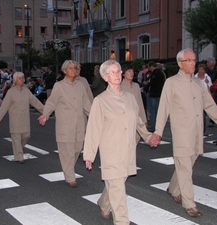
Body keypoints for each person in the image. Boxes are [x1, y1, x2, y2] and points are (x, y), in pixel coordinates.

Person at [150, 48, 217, 217]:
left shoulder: (199, 83)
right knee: (185, 168)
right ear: (181, 64)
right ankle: (189, 204)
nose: (193, 63)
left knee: (188, 163)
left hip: (197, 132)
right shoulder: (172, 82)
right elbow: (163, 108)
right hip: (181, 133)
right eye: (189, 60)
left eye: (194, 60)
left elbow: (209, 106)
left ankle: (173, 188)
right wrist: (158, 132)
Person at [83, 60, 154, 225]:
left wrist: (148, 136)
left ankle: (104, 202)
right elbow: (93, 129)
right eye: (112, 72)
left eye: (118, 71)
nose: (117, 75)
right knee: (118, 188)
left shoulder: (130, 97)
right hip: (111, 151)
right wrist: (89, 154)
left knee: (118, 181)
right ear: (105, 77)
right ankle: (122, 221)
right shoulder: (100, 101)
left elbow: (137, 121)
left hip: (128, 149)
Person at [38, 60, 92, 187]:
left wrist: (96, 118)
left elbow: (86, 104)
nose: (73, 70)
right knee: (66, 151)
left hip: (79, 123)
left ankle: (68, 170)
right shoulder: (59, 86)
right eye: (70, 68)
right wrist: (45, 114)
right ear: (64, 71)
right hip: (65, 124)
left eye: (74, 68)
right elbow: (51, 102)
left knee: (77, 149)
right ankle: (70, 177)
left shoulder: (80, 86)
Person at [0, 72, 44, 164]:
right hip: (15, 118)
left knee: (26, 135)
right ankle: (19, 157)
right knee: (16, 138)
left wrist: (45, 112)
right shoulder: (11, 92)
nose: (22, 80)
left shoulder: (26, 90)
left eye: (23, 78)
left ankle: (17, 150)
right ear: (15, 80)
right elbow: (4, 106)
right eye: (19, 78)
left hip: (25, 118)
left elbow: (35, 102)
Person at [121, 64, 147, 143]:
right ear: (123, 74)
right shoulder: (120, 87)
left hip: (136, 117)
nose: (131, 73)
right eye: (129, 71)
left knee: (136, 138)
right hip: (125, 119)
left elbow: (140, 102)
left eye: (132, 71)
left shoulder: (136, 86)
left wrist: (144, 120)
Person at [145, 61, 165, 132]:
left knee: (152, 111)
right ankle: (158, 126)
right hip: (159, 94)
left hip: (153, 94)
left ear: (151, 66)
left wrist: (147, 83)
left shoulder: (154, 74)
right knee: (157, 111)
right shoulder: (161, 73)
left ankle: (153, 126)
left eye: (149, 67)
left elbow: (153, 83)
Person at [194, 64, 212, 136]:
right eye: (199, 69)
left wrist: (208, 83)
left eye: (202, 69)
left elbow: (211, 88)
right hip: (196, 98)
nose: (200, 71)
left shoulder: (207, 78)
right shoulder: (194, 77)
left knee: (202, 115)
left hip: (204, 98)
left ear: (205, 70)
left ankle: (202, 130)